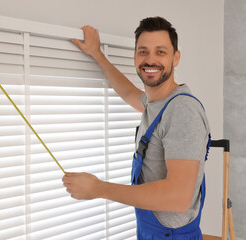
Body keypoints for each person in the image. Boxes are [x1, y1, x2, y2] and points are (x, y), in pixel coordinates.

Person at [62, 16, 211, 239]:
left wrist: (99, 188)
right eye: (143, 52)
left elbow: (179, 198)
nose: (150, 60)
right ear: (135, 57)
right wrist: (97, 54)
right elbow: (129, 92)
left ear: (176, 58)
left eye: (161, 52)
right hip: (153, 231)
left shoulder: (182, 110)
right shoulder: (156, 104)